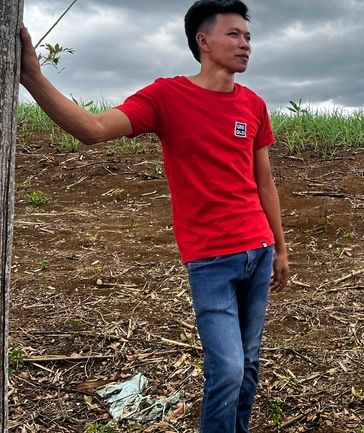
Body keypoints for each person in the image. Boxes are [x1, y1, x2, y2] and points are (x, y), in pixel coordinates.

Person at [19, 1, 290, 431]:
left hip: (257, 249)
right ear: (203, 42)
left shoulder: (253, 105)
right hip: (211, 260)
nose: (246, 45)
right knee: (229, 370)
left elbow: (265, 183)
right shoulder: (167, 96)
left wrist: (279, 247)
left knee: (250, 365)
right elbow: (92, 130)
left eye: (248, 37)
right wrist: (32, 77)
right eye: (234, 35)